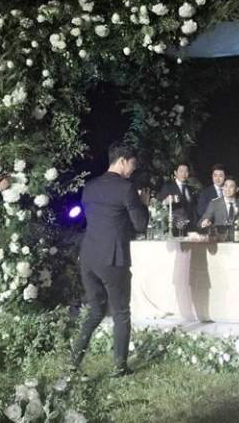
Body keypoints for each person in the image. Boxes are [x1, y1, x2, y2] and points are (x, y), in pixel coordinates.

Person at [71, 141, 150, 377]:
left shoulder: (90, 187)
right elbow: (140, 225)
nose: (133, 169)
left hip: (88, 257)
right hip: (113, 258)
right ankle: (119, 367)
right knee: (121, 313)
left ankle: (74, 362)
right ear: (123, 161)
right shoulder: (126, 188)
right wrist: (144, 204)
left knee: (96, 311)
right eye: (132, 164)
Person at [158, 161, 198, 234]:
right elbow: (160, 204)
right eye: (181, 171)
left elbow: (193, 207)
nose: (183, 174)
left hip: (189, 226)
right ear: (175, 172)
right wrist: (166, 201)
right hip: (174, 226)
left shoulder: (189, 188)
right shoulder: (168, 186)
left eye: (186, 171)